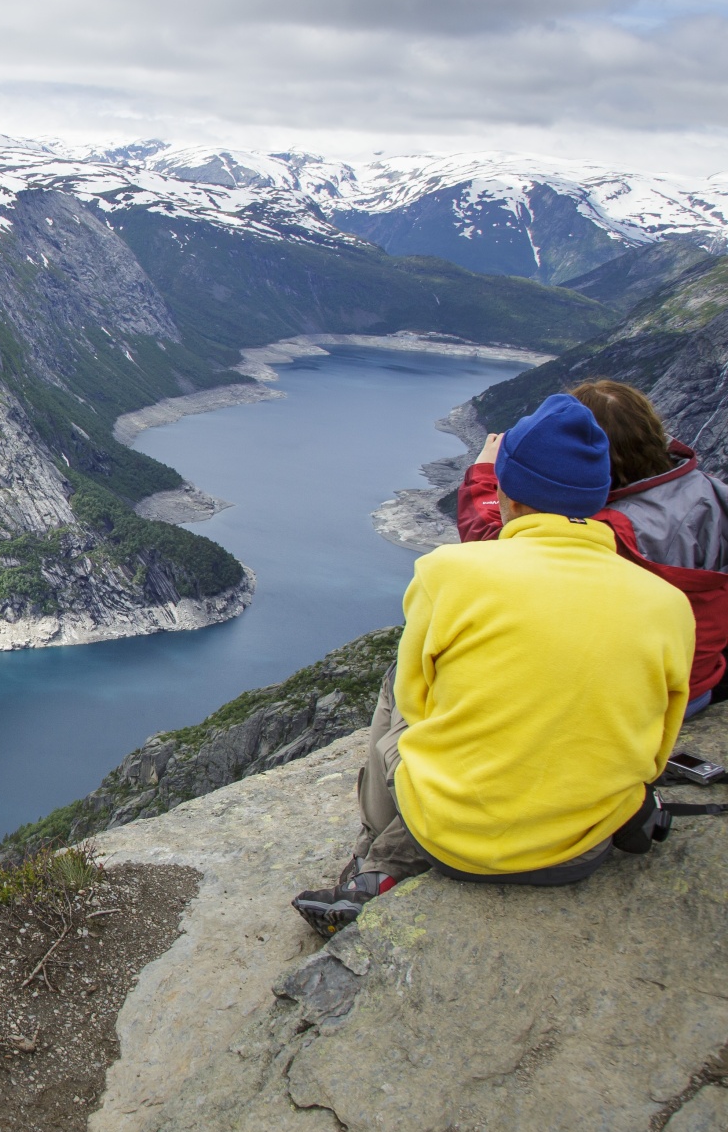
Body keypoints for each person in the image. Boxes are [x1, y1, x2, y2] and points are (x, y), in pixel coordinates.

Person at [294, 394, 693, 936]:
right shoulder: (667, 603)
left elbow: (418, 702)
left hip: (453, 841)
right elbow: (659, 743)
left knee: (394, 684)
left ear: (506, 493)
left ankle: (377, 856)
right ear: (600, 497)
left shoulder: (448, 572)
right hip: (583, 849)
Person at [458, 379, 728, 716]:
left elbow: (499, 550)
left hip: (633, 697)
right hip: (697, 682)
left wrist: (486, 474)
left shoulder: (609, 532)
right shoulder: (712, 493)